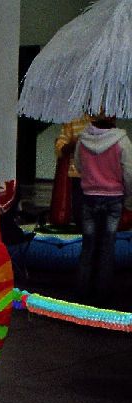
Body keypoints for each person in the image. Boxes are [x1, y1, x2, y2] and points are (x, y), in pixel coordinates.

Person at [73, 115, 132, 303]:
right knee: (107, 247)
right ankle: (103, 295)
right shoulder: (122, 140)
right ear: (113, 119)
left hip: (89, 196)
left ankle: (82, 292)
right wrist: (128, 201)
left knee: (88, 246)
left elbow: (78, 165)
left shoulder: (82, 140)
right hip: (113, 198)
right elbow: (129, 173)